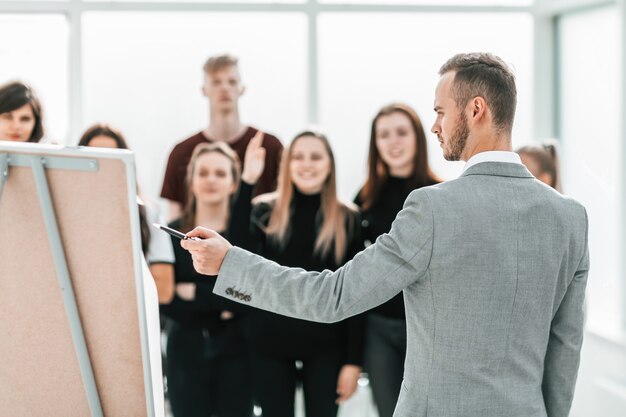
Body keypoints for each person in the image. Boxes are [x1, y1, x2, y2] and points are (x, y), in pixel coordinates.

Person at [182, 53, 589, 417]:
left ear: (476, 109)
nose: (434, 126)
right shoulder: (571, 218)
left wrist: (229, 263)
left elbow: (334, 296)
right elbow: (565, 349)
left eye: (440, 111)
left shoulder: (432, 208)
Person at [229, 130, 364, 417]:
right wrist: (247, 182)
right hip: (270, 344)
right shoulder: (264, 210)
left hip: (327, 346)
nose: (307, 164)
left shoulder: (348, 218)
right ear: (287, 164)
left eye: (316, 156)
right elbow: (236, 255)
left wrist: (353, 362)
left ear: (329, 164)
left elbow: (356, 293)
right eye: (298, 157)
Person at [354, 103, 440, 417]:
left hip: (429, 330)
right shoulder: (362, 202)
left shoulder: (440, 195)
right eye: (384, 134)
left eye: (402, 132)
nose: (394, 141)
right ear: (375, 144)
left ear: (418, 138)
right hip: (379, 330)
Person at [160, 142, 254, 417]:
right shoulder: (171, 234)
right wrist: (222, 301)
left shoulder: (247, 235)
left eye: (220, 173)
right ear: (191, 181)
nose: (211, 180)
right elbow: (165, 299)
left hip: (237, 351)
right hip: (185, 350)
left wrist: (194, 293)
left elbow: (251, 297)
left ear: (234, 183)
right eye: (203, 173)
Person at [160, 54, 283, 220]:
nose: (224, 88)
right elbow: (174, 219)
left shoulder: (269, 147)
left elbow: (285, 207)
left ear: (242, 89)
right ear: (204, 89)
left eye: (232, 82)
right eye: (216, 82)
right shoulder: (181, 152)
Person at [78, 124, 175, 303]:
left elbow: (163, 290)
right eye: (93, 155)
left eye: (110, 156)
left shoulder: (148, 214)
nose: (101, 163)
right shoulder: (66, 214)